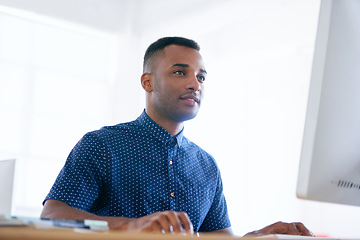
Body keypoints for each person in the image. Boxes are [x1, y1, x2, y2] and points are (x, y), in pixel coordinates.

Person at [41, 36, 314, 237]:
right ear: (147, 82)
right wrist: (130, 225)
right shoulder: (101, 145)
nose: (195, 84)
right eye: (180, 72)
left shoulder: (207, 165)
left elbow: (218, 238)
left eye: (201, 77)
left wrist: (261, 236)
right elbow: (53, 215)